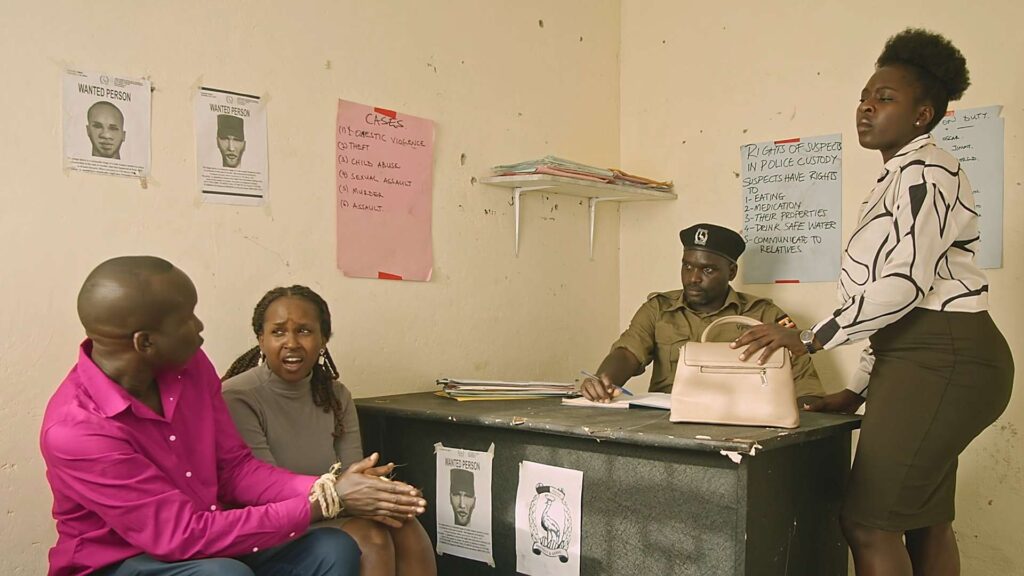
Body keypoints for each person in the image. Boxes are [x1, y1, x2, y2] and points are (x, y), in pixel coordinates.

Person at [733, 29, 1013, 576]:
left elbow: (906, 282)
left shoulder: (927, 173)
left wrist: (812, 337)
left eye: (885, 98)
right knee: (925, 518)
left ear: (922, 113)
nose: (866, 107)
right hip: (926, 356)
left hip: (944, 358)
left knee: (868, 523)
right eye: (864, 96)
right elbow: (890, 307)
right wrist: (856, 388)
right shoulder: (901, 174)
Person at [41, 257, 426, 576]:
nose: (200, 326)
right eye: (187, 318)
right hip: (121, 561)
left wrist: (332, 487)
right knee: (224, 574)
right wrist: (325, 501)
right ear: (146, 342)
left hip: (208, 540)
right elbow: (180, 536)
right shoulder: (77, 431)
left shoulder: (191, 368)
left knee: (334, 547)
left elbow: (236, 469)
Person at [222, 286, 437, 576]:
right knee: (370, 536)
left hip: (333, 508)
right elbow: (263, 491)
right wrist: (346, 494)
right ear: (261, 339)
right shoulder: (238, 396)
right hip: (275, 522)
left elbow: (352, 472)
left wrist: (385, 494)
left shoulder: (336, 395)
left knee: (404, 521)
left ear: (323, 339)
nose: (292, 342)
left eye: (304, 331)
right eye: (278, 332)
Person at [582, 223, 825, 404]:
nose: (693, 278)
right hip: (666, 423)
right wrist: (603, 380)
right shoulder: (659, 309)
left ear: (731, 272)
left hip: (740, 423)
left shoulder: (763, 315)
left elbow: (806, 386)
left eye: (707, 269)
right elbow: (627, 353)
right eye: (687, 266)